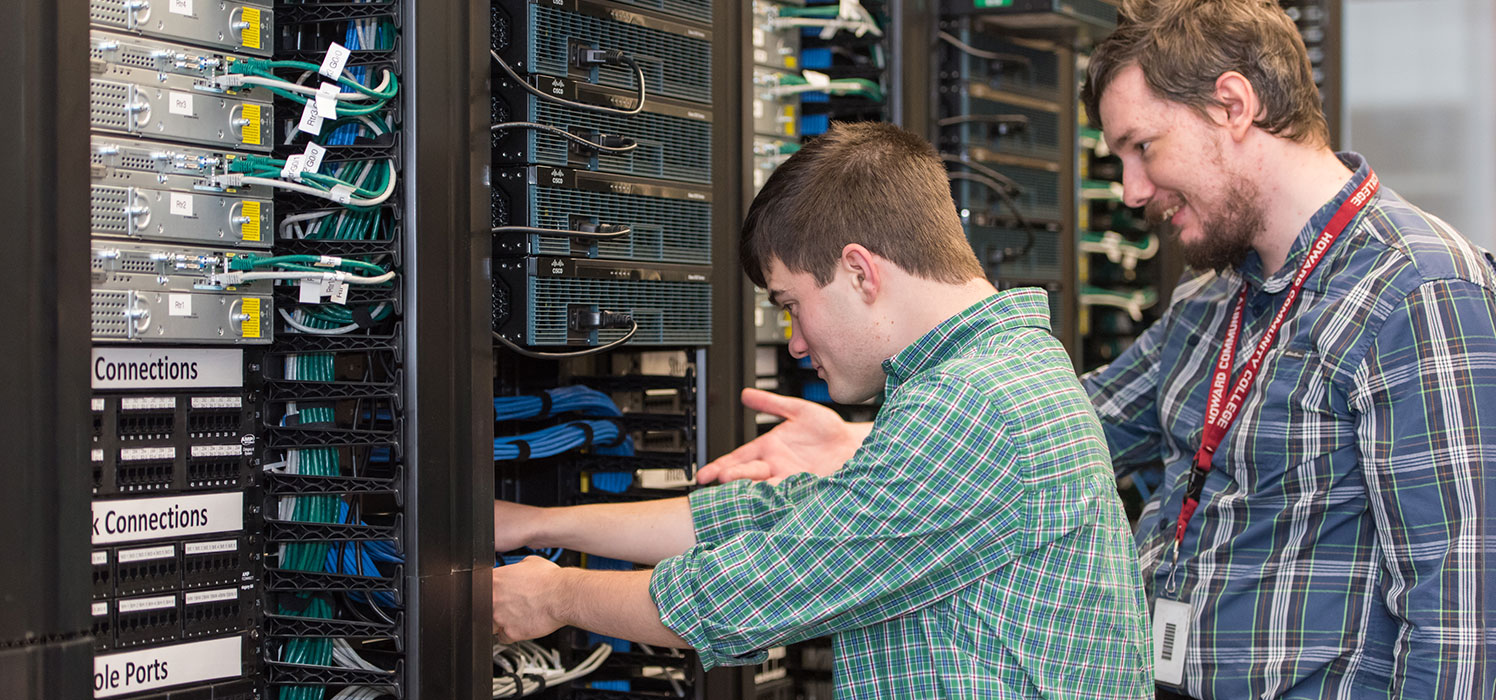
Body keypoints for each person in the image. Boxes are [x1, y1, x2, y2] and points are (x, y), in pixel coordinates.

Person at [700, 1, 1496, 698]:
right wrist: (867, 444)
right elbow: (1062, 425)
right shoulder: (1212, 298)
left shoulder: (1418, 291)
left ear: (1233, 105)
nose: (1131, 190)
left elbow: (1460, 616)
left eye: (1141, 146)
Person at [492, 121, 1154, 698]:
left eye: (790, 304)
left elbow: (752, 593)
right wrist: (542, 523)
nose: (796, 341)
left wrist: (555, 596)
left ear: (860, 272)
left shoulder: (974, 406)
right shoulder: (992, 376)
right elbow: (775, 518)